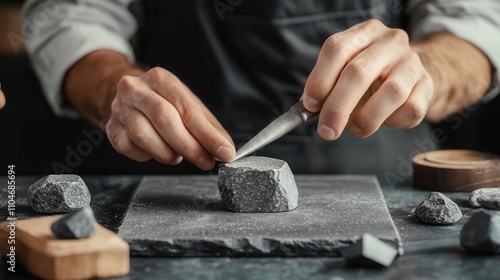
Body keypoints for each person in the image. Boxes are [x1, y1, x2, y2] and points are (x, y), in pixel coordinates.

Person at [21, 1, 500, 180]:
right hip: (169, 181)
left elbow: (476, 24)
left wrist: (427, 70)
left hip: (382, 178)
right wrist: (113, 89)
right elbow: (72, 15)